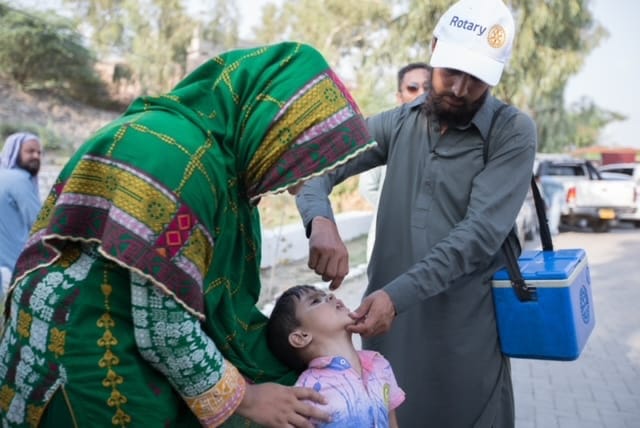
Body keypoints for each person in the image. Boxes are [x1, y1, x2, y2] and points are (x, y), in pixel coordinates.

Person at [0, 42, 377, 428]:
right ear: (272, 125)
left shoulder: (222, 166)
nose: (296, 184)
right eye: (297, 157)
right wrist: (247, 397)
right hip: (87, 340)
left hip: (132, 326)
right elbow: (164, 328)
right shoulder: (178, 158)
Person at [295, 0, 538, 426]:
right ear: (434, 48)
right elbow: (315, 168)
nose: (460, 89)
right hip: (388, 332)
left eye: (476, 79)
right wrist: (320, 220)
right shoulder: (399, 123)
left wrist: (396, 295)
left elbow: (478, 235)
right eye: (452, 72)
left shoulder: (511, 132)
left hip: (464, 334)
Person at [267, 285, 404, 427]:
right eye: (315, 301)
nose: (331, 296)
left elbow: (391, 421)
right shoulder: (306, 392)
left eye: (326, 295)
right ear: (301, 337)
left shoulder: (380, 364)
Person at [359, 63, 432, 260]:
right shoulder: (385, 133)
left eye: (428, 88)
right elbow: (368, 187)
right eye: (412, 88)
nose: (421, 94)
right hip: (388, 242)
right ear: (399, 97)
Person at [0, 132, 42, 300]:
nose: (36, 156)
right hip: (13, 269)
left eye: (39, 152)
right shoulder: (19, 180)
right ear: (15, 151)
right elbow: (39, 223)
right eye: (30, 151)